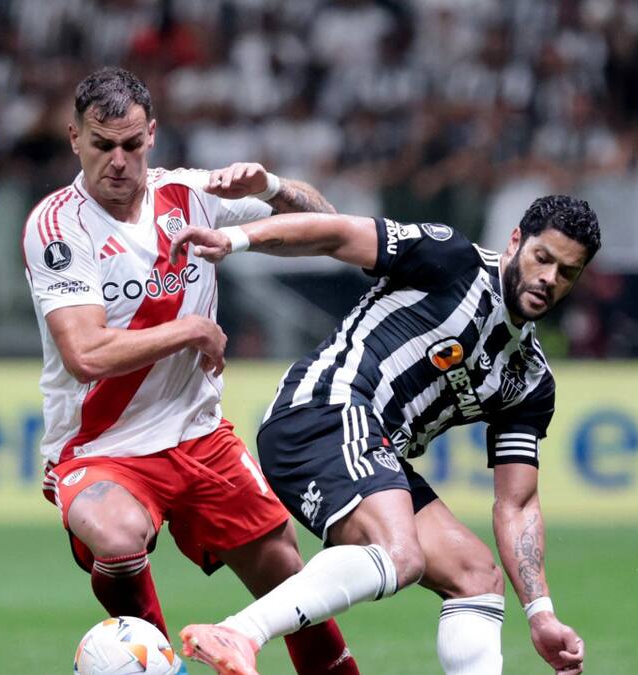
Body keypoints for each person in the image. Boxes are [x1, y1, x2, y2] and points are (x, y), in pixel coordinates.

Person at [20, 67, 358, 675]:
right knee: (118, 538)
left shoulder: (190, 193)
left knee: (292, 582)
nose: (118, 161)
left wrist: (274, 186)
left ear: (151, 135)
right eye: (102, 146)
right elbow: (86, 354)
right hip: (102, 449)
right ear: (75, 139)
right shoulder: (57, 226)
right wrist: (191, 329)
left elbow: (327, 227)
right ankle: (158, 662)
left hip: (200, 440)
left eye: (131, 145)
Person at [172, 196, 598, 675]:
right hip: (325, 407)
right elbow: (337, 234)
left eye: (567, 273)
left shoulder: (530, 380)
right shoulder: (452, 259)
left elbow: (517, 504)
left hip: (375, 448)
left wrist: (540, 613)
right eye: (543, 258)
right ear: (516, 240)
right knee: (401, 554)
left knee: (475, 577)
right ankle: (237, 633)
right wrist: (237, 238)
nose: (549, 279)